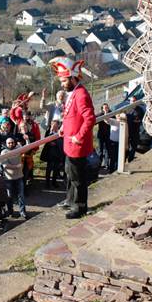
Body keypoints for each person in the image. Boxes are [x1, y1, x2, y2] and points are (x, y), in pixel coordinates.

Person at [49, 56, 96, 219]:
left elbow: (90, 118)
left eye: (64, 80)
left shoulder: (81, 94)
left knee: (78, 178)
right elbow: (70, 114)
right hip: (70, 143)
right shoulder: (74, 92)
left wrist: (79, 136)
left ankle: (80, 207)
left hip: (77, 145)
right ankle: (70, 200)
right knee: (70, 172)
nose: (62, 84)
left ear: (73, 77)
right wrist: (63, 127)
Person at [1, 137, 27, 219]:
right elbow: (5, 166)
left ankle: (22, 212)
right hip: (9, 178)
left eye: (12, 142)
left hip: (19, 176)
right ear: (6, 144)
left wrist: (27, 139)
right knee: (9, 196)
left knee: (21, 195)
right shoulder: (4, 152)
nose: (11, 144)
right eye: (9, 143)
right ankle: (10, 211)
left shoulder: (18, 148)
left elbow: (28, 147)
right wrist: (17, 166)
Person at [40, 119, 65, 189]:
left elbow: (63, 139)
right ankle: (47, 183)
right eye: (52, 124)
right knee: (49, 169)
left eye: (55, 125)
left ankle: (54, 182)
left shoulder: (60, 131)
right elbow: (45, 140)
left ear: (58, 125)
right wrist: (50, 132)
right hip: (50, 153)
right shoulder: (49, 131)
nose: (53, 126)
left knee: (56, 169)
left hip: (58, 152)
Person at [126, 96, 145, 161]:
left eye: (134, 101)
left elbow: (143, 119)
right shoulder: (127, 109)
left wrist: (138, 121)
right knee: (125, 147)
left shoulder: (140, 110)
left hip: (135, 131)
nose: (133, 102)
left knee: (134, 146)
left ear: (136, 102)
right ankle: (124, 159)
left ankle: (130, 159)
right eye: (132, 101)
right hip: (127, 131)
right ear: (130, 102)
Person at [97, 103, 113, 169]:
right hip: (101, 134)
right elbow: (95, 121)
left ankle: (106, 164)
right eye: (105, 108)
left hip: (108, 134)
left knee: (107, 149)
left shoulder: (111, 113)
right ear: (102, 109)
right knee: (100, 150)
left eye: (107, 107)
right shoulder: (100, 114)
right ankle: (99, 164)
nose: (106, 109)